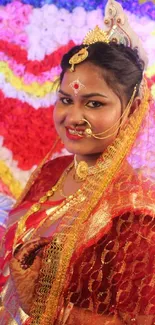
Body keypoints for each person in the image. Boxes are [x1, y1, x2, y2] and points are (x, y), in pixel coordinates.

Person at [0, 0, 155, 324]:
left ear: (132, 108)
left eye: (95, 103)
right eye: (66, 100)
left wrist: (47, 308)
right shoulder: (52, 172)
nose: (74, 117)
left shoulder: (136, 215)